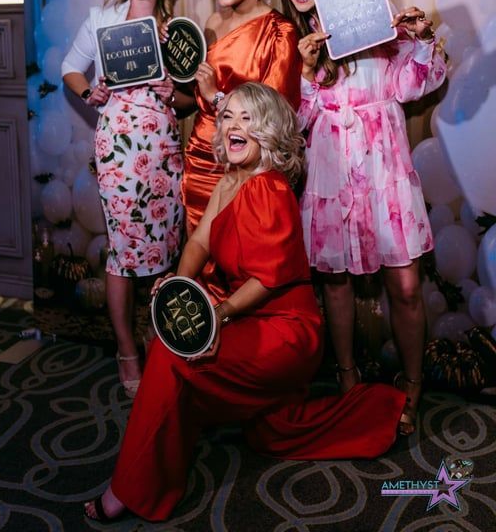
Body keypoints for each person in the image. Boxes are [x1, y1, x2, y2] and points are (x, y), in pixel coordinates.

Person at [84, 82, 405, 524]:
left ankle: (130, 490)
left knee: (174, 358)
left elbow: (268, 279)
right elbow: (198, 241)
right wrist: (179, 285)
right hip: (248, 314)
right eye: (229, 115)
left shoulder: (269, 189)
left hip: (286, 330)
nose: (233, 125)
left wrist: (217, 315)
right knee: (271, 432)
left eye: (247, 119)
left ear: (268, 132)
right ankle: (382, 413)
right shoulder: (229, 180)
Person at [281, 0, 448, 436]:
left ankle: (413, 385)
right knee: (335, 284)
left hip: (383, 171)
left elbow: (412, 86)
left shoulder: (375, 20)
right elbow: (294, 123)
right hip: (331, 171)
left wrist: (418, 37)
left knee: (405, 285)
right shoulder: (294, 43)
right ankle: (348, 382)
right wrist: (307, 72)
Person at [62, 0, 185, 398]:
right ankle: (127, 350)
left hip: (162, 149)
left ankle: (160, 342)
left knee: (162, 252)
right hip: (118, 149)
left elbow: (192, 98)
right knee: (123, 252)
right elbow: (69, 68)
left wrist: (174, 89)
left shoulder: (176, 28)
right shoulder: (102, 21)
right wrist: (87, 91)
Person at [182, 0, 301, 250]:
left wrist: (215, 97)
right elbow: (192, 98)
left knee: (241, 255)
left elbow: (276, 116)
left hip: (247, 166)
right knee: (198, 252)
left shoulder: (280, 31)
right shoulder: (210, 24)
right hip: (199, 159)